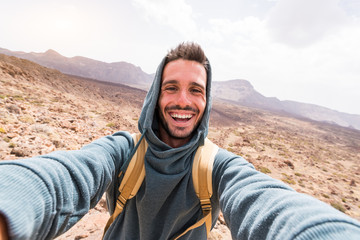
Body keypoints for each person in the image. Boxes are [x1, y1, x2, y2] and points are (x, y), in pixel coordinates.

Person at [0, 42, 360, 240]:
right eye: (171, 87)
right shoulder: (124, 150)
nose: (183, 101)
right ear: (155, 95)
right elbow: (67, 175)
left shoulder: (219, 167)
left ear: (206, 102)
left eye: (196, 91)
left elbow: (267, 205)